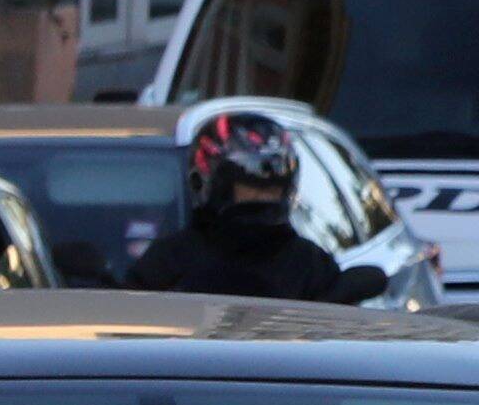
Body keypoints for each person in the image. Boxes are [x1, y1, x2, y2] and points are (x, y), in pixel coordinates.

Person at [125, 117, 381, 305]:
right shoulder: (170, 261)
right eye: (249, 188)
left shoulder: (308, 264)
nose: (263, 199)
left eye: (272, 190)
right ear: (208, 184)